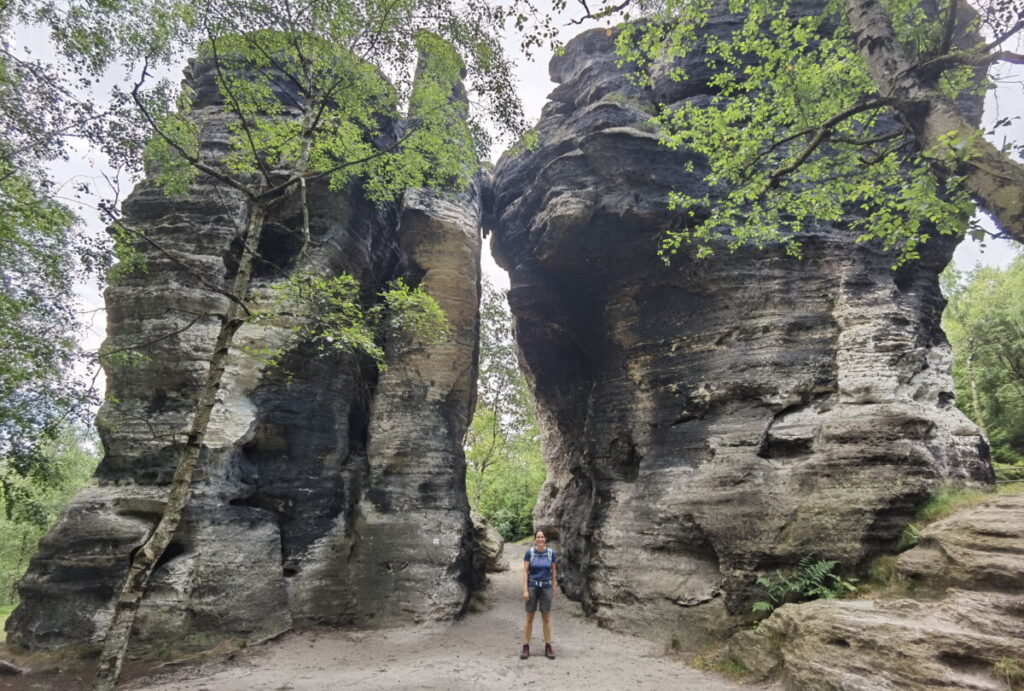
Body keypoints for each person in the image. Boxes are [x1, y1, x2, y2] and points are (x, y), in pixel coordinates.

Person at [520, 530, 557, 660]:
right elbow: (525, 571)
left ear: (545, 538)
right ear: (535, 539)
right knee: (529, 617)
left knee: (546, 617)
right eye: (538, 537)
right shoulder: (529, 553)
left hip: (546, 587)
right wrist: (525, 590)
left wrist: (554, 586)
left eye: (542, 537)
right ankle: (525, 646)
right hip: (532, 586)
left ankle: (548, 646)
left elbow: (553, 571)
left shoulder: (551, 553)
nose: (540, 539)